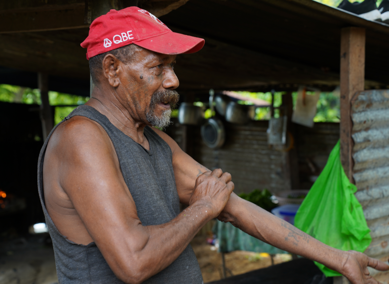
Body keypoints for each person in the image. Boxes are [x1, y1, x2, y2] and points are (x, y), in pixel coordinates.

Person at [37, 7, 389, 284]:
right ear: (112, 70)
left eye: (172, 66)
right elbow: (134, 261)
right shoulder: (82, 138)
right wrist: (203, 208)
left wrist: (339, 258)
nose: (173, 80)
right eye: (158, 67)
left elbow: (236, 208)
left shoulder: (153, 140)